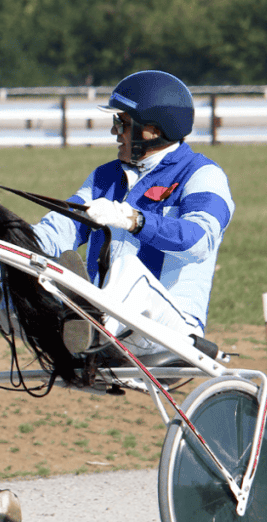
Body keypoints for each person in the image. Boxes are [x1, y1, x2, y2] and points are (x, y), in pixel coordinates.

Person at [30, 70, 234, 356]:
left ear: (155, 129)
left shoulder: (202, 175)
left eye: (122, 123)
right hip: (113, 325)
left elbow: (198, 242)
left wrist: (134, 220)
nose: (115, 132)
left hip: (170, 330)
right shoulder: (106, 176)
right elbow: (64, 225)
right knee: (28, 270)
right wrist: (15, 240)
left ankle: (92, 329)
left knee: (128, 269)